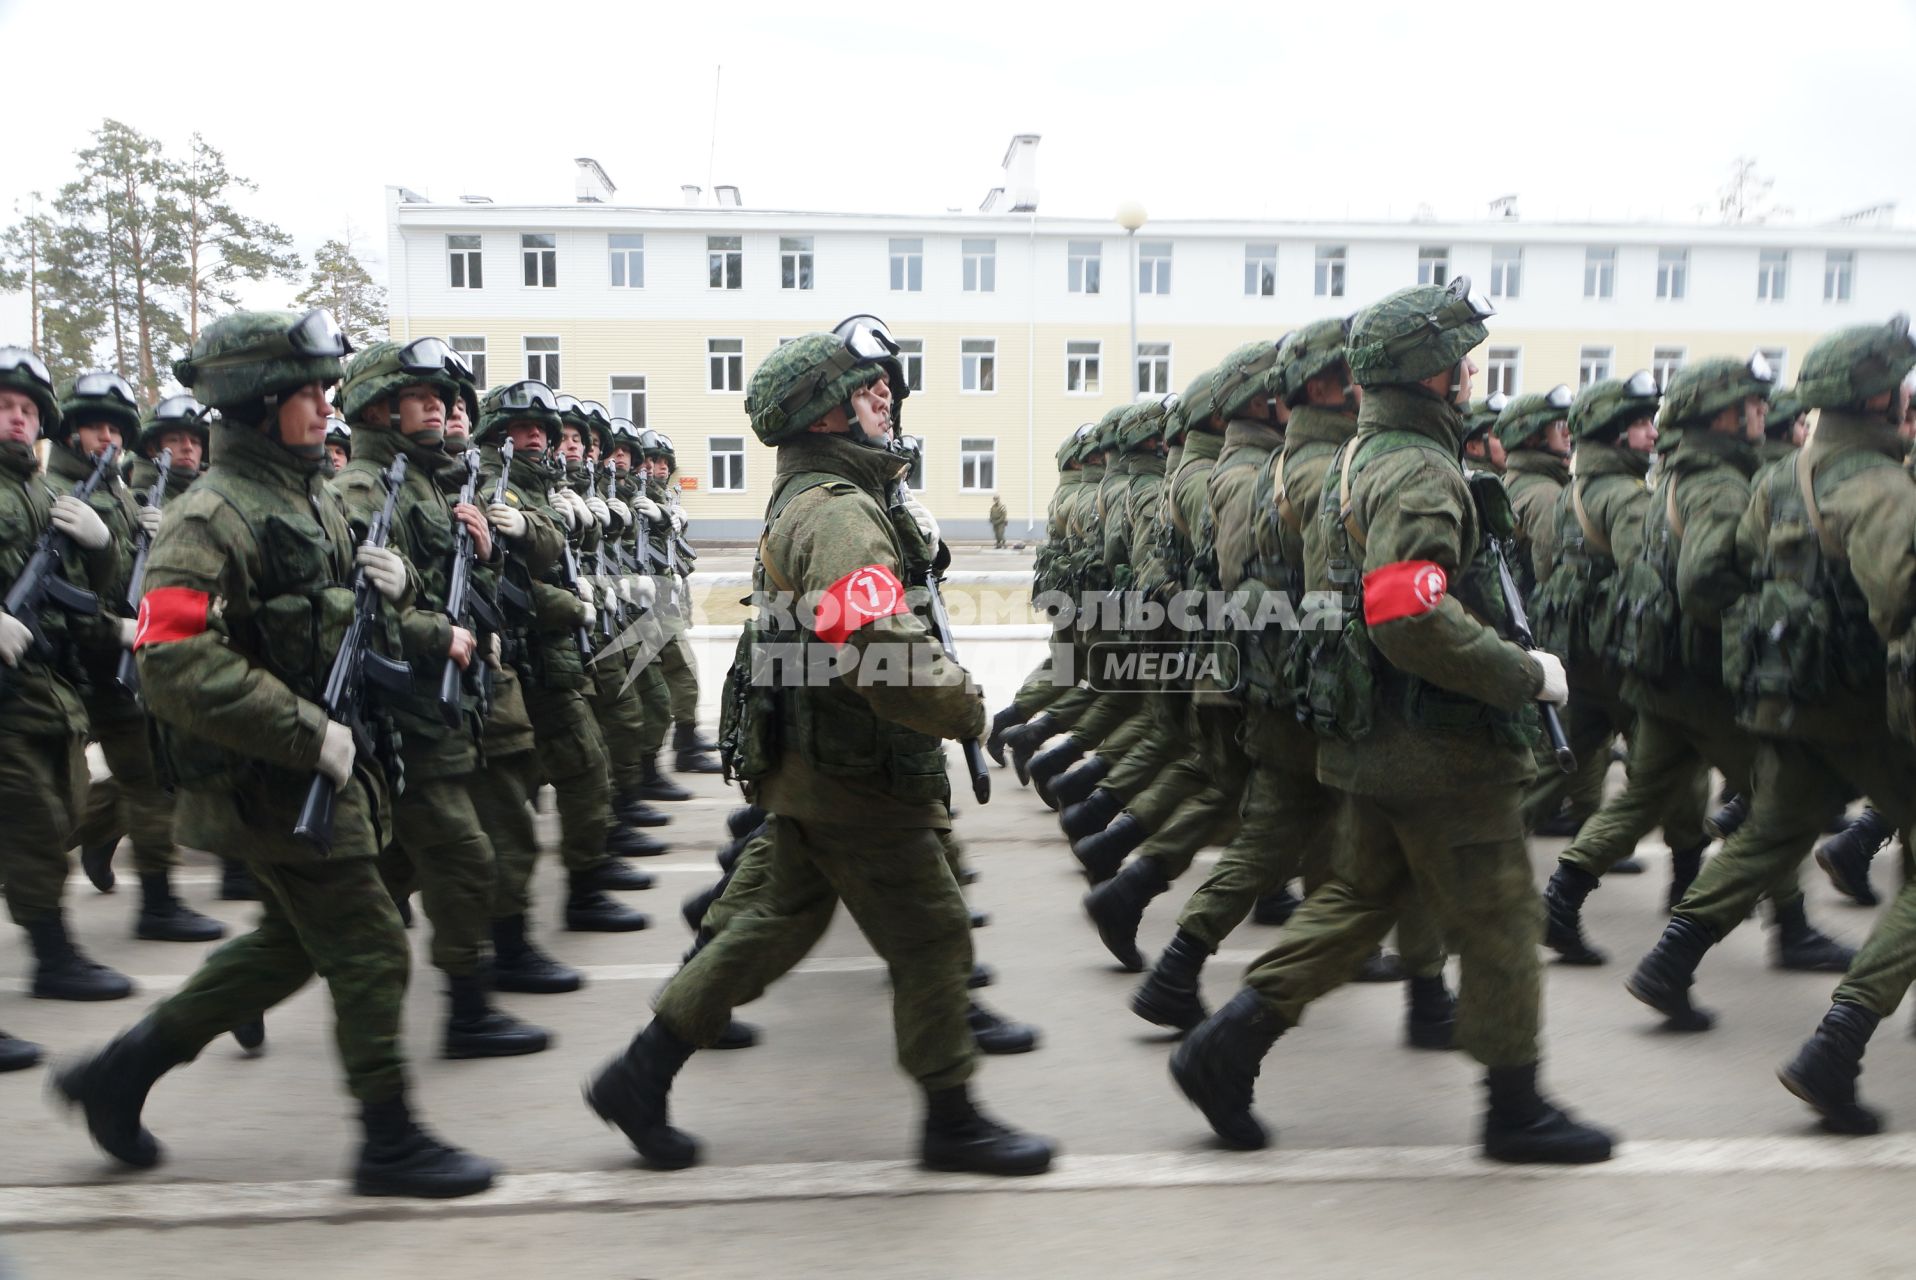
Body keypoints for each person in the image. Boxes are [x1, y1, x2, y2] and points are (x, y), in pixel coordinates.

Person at [585, 318, 1053, 1176]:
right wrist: (968, 709)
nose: (884, 396)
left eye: (884, 384)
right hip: (856, 771)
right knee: (934, 934)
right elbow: (879, 646)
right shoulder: (837, 515)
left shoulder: (829, 500)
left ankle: (638, 1076)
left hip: (815, 765)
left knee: (766, 923)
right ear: (821, 415)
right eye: (863, 388)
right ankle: (953, 1119)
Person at [1170, 278, 1614, 1165]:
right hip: (1440, 747)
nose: (1472, 374)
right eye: (1462, 361)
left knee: (1356, 902)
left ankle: (1227, 1044)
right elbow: (1407, 615)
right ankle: (1516, 1108)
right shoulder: (1414, 467)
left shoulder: (1355, 461)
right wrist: (1524, 676)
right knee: (1498, 919)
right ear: (1433, 374)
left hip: (1376, 736)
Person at [53, 309, 495, 1198]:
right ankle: (389, 1139)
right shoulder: (211, 515)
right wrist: (307, 732)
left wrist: (419, 624)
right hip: (272, 780)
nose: (325, 407)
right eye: (308, 391)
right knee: (372, 947)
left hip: (330, 768)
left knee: (286, 952)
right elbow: (170, 658)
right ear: (258, 403)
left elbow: (335, 622)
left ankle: (119, 1073)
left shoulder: (312, 495)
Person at [333, 338, 551, 1058]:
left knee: (391, 868)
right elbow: (349, 612)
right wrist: (432, 632)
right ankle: (468, 1013)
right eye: (422, 395)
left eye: (445, 396)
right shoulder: (364, 491)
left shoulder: (426, 483)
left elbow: (458, 597)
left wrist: (484, 558)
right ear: (377, 407)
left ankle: (268, 972)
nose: (444, 407)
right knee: (460, 858)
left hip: (443, 706)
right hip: (401, 715)